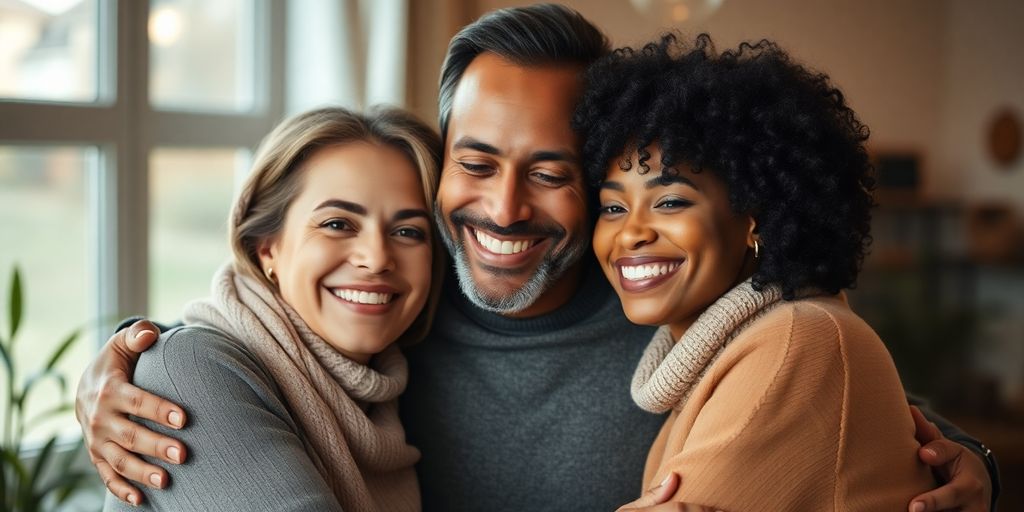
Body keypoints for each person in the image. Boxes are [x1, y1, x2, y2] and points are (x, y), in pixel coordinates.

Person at [76, 5, 998, 511]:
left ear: (595, 178)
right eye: (475, 164)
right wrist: (125, 351)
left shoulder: (658, 304)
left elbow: (810, 381)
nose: (505, 208)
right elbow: (253, 329)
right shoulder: (396, 299)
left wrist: (968, 460)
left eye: (550, 173)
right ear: (440, 164)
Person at [576, 32, 951, 510]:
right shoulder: (728, 351)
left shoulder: (797, 340)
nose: (630, 234)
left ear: (756, 215)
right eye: (612, 207)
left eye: (669, 201)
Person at [100, 106, 444, 510]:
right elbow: (178, 361)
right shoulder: (185, 369)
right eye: (337, 223)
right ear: (266, 248)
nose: (377, 258)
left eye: (408, 231)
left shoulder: (402, 385)